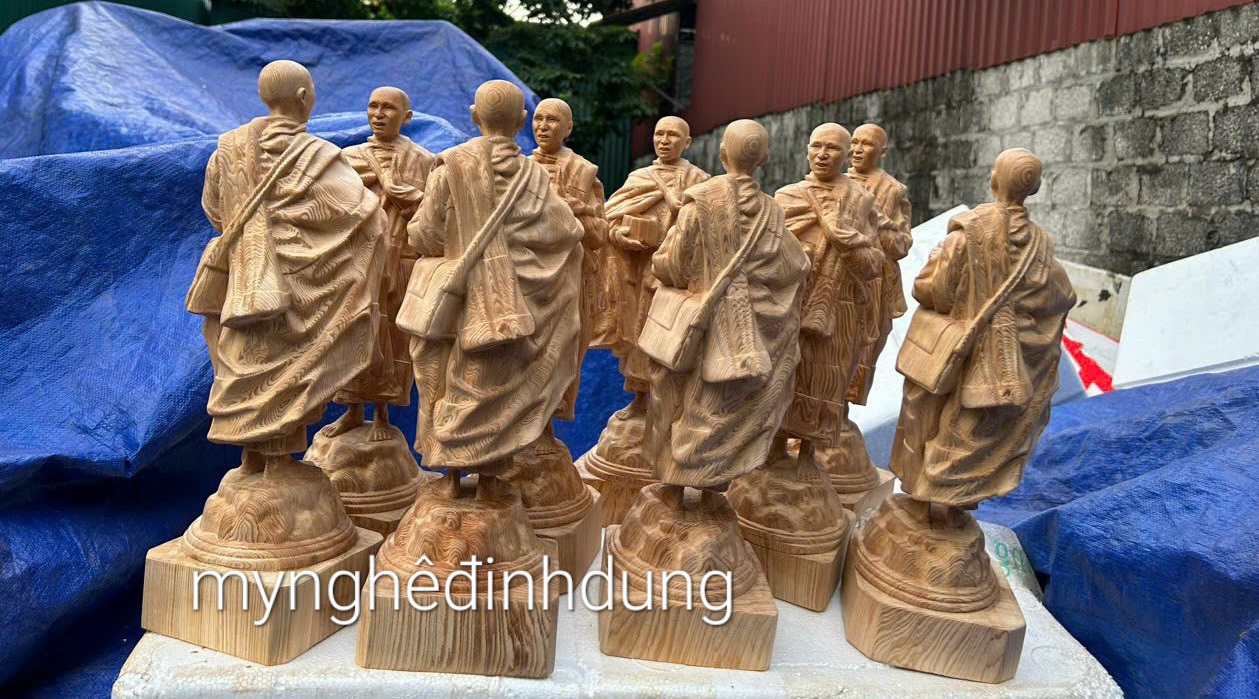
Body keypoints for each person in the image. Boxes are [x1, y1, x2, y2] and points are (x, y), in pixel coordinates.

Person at [183, 59, 386, 568]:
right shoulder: (318, 155)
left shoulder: (228, 148)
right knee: (291, 368)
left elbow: (215, 210)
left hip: (243, 286)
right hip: (296, 289)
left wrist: (254, 237)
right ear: (302, 97)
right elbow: (360, 214)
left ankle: (252, 459)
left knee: (246, 366)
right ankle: (275, 461)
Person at [405, 79, 584, 477]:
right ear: (521, 121)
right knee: (500, 386)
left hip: (460, 306)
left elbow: (425, 236)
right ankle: (492, 478)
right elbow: (566, 232)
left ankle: (451, 480)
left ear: (474, 116)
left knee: (452, 385)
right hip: (514, 310)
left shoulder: (449, 167)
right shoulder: (534, 176)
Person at [645, 119, 810, 489]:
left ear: (721, 154)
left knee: (690, 402)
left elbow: (674, 266)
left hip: (703, 327)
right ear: (763, 159)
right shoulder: (772, 213)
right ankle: (713, 485)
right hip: (747, 334)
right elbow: (794, 266)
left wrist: (663, 264)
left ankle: (678, 483)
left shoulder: (700, 203)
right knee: (730, 406)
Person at [322, 86, 434, 441]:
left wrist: (406, 196)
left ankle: (384, 414)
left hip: (402, 260)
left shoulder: (424, 162)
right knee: (355, 331)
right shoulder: (347, 159)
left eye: (389, 108)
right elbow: (331, 210)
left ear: (407, 117)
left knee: (395, 338)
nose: (379, 114)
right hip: (359, 261)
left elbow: (434, 217)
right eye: (373, 106)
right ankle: (352, 410)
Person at [773, 123, 884, 469]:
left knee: (826, 382)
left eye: (832, 148)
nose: (822, 155)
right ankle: (773, 451)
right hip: (790, 304)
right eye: (816, 146)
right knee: (782, 377)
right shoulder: (786, 196)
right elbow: (766, 253)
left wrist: (844, 238)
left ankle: (809, 457)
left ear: (846, 154)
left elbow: (874, 263)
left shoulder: (860, 201)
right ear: (807, 149)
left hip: (839, 308)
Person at [530, 97, 607, 420]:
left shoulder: (584, 173)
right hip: (526, 280)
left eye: (552, 120)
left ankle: (547, 428)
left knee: (563, 354)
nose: (543, 126)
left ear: (568, 128)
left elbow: (599, 236)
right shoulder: (519, 168)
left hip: (569, 281)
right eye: (538, 118)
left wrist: (578, 210)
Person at [847, 123, 913, 402]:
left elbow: (902, 244)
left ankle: (841, 415)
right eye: (854, 142)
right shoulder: (834, 182)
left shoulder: (893, 190)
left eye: (866, 144)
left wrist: (876, 218)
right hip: (837, 280)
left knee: (864, 352)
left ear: (883, 151)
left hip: (876, 283)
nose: (857, 149)